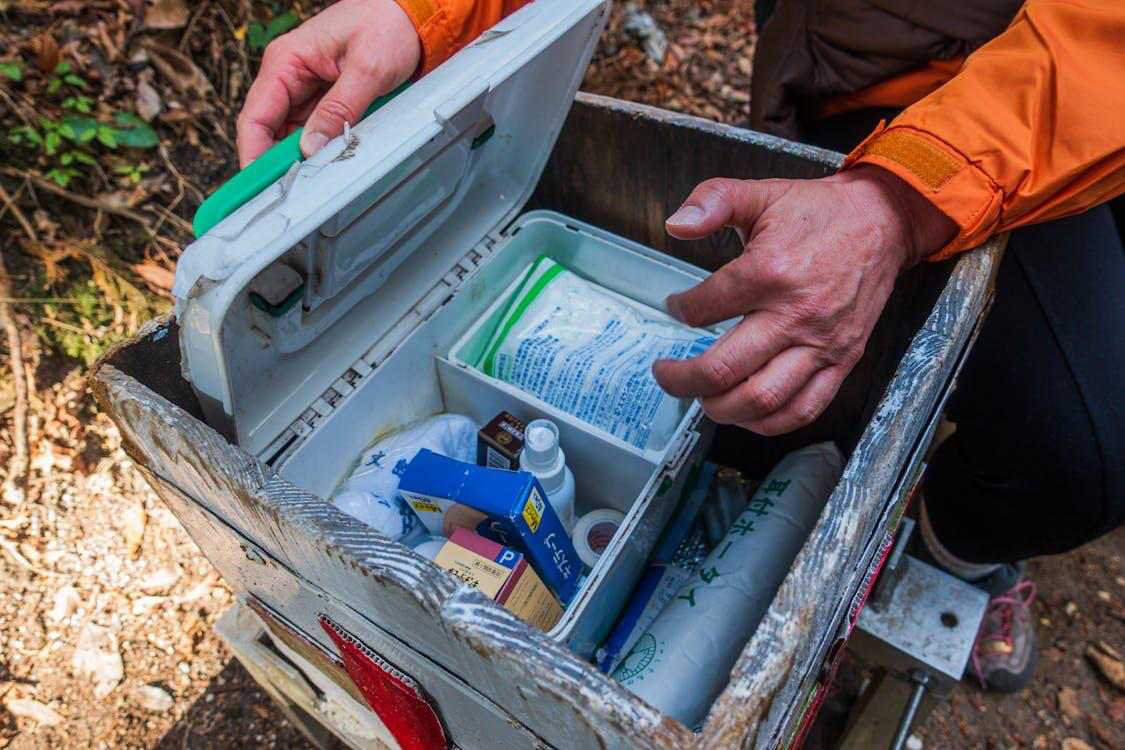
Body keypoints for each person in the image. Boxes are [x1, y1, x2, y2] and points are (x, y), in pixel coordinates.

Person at [235, 0, 1125, 694]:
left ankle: (946, 550)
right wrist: (420, 15)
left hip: (1067, 81)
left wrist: (907, 197)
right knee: (1069, 448)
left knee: (1080, 462)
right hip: (881, 66)